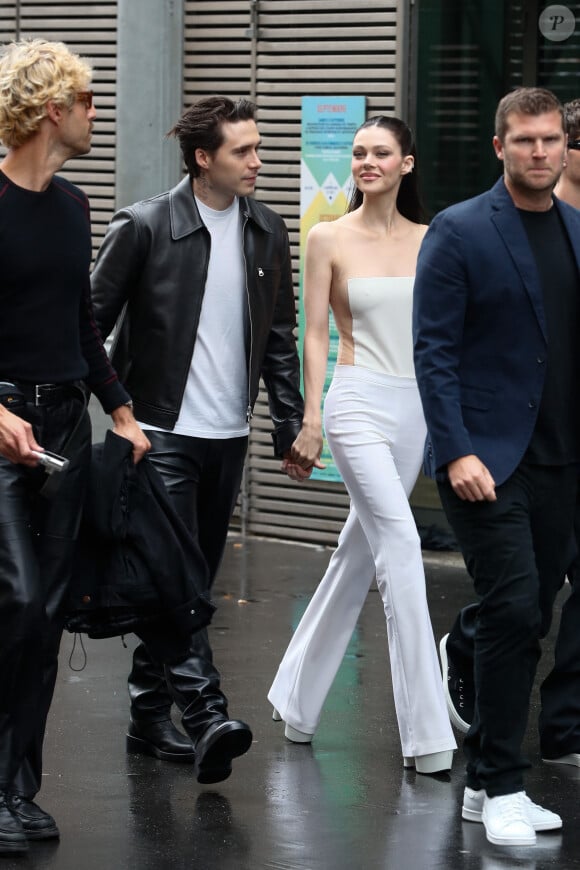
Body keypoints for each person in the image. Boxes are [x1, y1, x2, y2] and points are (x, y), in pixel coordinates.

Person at [91, 96, 307, 784]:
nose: (257, 161)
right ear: (202, 157)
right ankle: (205, 713)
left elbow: (277, 337)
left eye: (258, 148)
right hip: (158, 431)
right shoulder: (147, 224)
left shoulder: (266, 230)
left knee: (186, 577)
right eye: (243, 150)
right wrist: (107, 411)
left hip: (228, 434)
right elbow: (87, 323)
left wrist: (287, 421)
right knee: (177, 578)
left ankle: (148, 716)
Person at [413, 87, 580, 847]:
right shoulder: (460, 230)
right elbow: (434, 352)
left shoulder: (578, 230)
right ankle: (505, 782)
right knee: (514, 609)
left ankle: (486, 783)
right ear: (500, 147)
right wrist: (455, 450)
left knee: (531, 612)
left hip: (561, 460)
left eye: (550, 140)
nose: (540, 152)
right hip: (487, 460)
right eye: (525, 141)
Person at [267, 116, 457, 775]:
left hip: (416, 412)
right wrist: (311, 416)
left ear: (407, 164)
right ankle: (429, 735)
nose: (366, 161)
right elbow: (312, 334)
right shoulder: (327, 237)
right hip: (355, 402)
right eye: (357, 153)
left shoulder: (435, 241)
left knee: (357, 553)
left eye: (380, 153)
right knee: (399, 547)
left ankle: (295, 698)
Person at [0, 39, 149, 855]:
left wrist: (119, 409)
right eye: (89, 100)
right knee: (17, 598)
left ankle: (15, 789)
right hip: (2, 427)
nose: (98, 113)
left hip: (62, 425)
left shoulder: (74, 204)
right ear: (52, 110)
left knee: (48, 615)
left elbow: (79, 325)